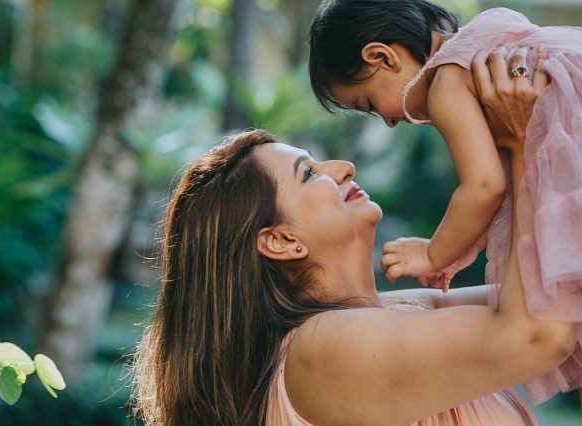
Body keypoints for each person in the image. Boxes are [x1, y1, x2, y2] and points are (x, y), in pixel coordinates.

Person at [131, 48, 578, 425]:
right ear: (281, 241)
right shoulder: (321, 352)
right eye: (308, 173)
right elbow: (538, 335)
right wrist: (526, 142)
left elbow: (558, 299)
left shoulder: (391, 313)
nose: (342, 167)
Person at [309, 0, 582, 403]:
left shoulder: (448, 84)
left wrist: (433, 253)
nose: (386, 119)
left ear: (381, 56)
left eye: (367, 104)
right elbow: (507, 187)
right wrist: (463, 251)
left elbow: (484, 186)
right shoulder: (487, 36)